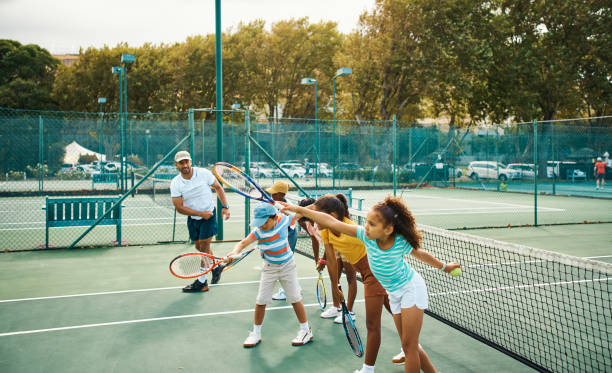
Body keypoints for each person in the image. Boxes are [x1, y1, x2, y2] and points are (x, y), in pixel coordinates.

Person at [281, 196, 461, 373]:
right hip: (394, 293)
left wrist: (445, 267)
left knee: (409, 346)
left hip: (411, 289)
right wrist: (298, 210)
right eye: (366, 222)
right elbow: (331, 221)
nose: (366, 227)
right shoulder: (365, 236)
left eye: (372, 224)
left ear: (388, 229)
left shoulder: (398, 242)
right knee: (408, 345)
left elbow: (421, 254)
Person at [225, 202, 313, 347]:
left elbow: (302, 212)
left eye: (264, 222)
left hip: (287, 266)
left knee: (295, 299)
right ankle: (256, 334)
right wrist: (234, 252)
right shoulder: (258, 231)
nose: (261, 226)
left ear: (273, 218)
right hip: (269, 268)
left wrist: (317, 204)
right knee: (261, 301)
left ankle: (305, 331)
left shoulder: (284, 220)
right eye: (259, 223)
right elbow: (242, 243)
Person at [170, 151, 230, 292]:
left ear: (191, 162)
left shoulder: (203, 174)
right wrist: (200, 214)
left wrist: (225, 207)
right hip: (195, 218)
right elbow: (179, 207)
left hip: (209, 215)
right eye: (181, 163)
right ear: (176, 165)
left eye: (187, 161)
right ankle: (216, 267)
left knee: (204, 248)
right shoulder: (176, 183)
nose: (185, 165)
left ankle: (202, 282)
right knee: (199, 247)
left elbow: (218, 187)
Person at [300, 196, 358, 324]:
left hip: (348, 247)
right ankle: (336, 307)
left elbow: (329, 245)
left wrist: (322, 260)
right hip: (335, 248)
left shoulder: (330, 223)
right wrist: (320, 260)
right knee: (334, 277)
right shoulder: (316, 225)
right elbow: (322, 242)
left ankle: (350, 311)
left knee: (350, 278)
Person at [265, 181, 299, 301]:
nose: (271, 195)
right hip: (286, 235)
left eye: (273, 193)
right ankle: (294, 288)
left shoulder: (287, 206)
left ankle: (289, 291)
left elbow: (283, 221)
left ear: (281, 194)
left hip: (289, 235)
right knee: (286, 264)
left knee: (285, 265)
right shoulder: (277, 203)